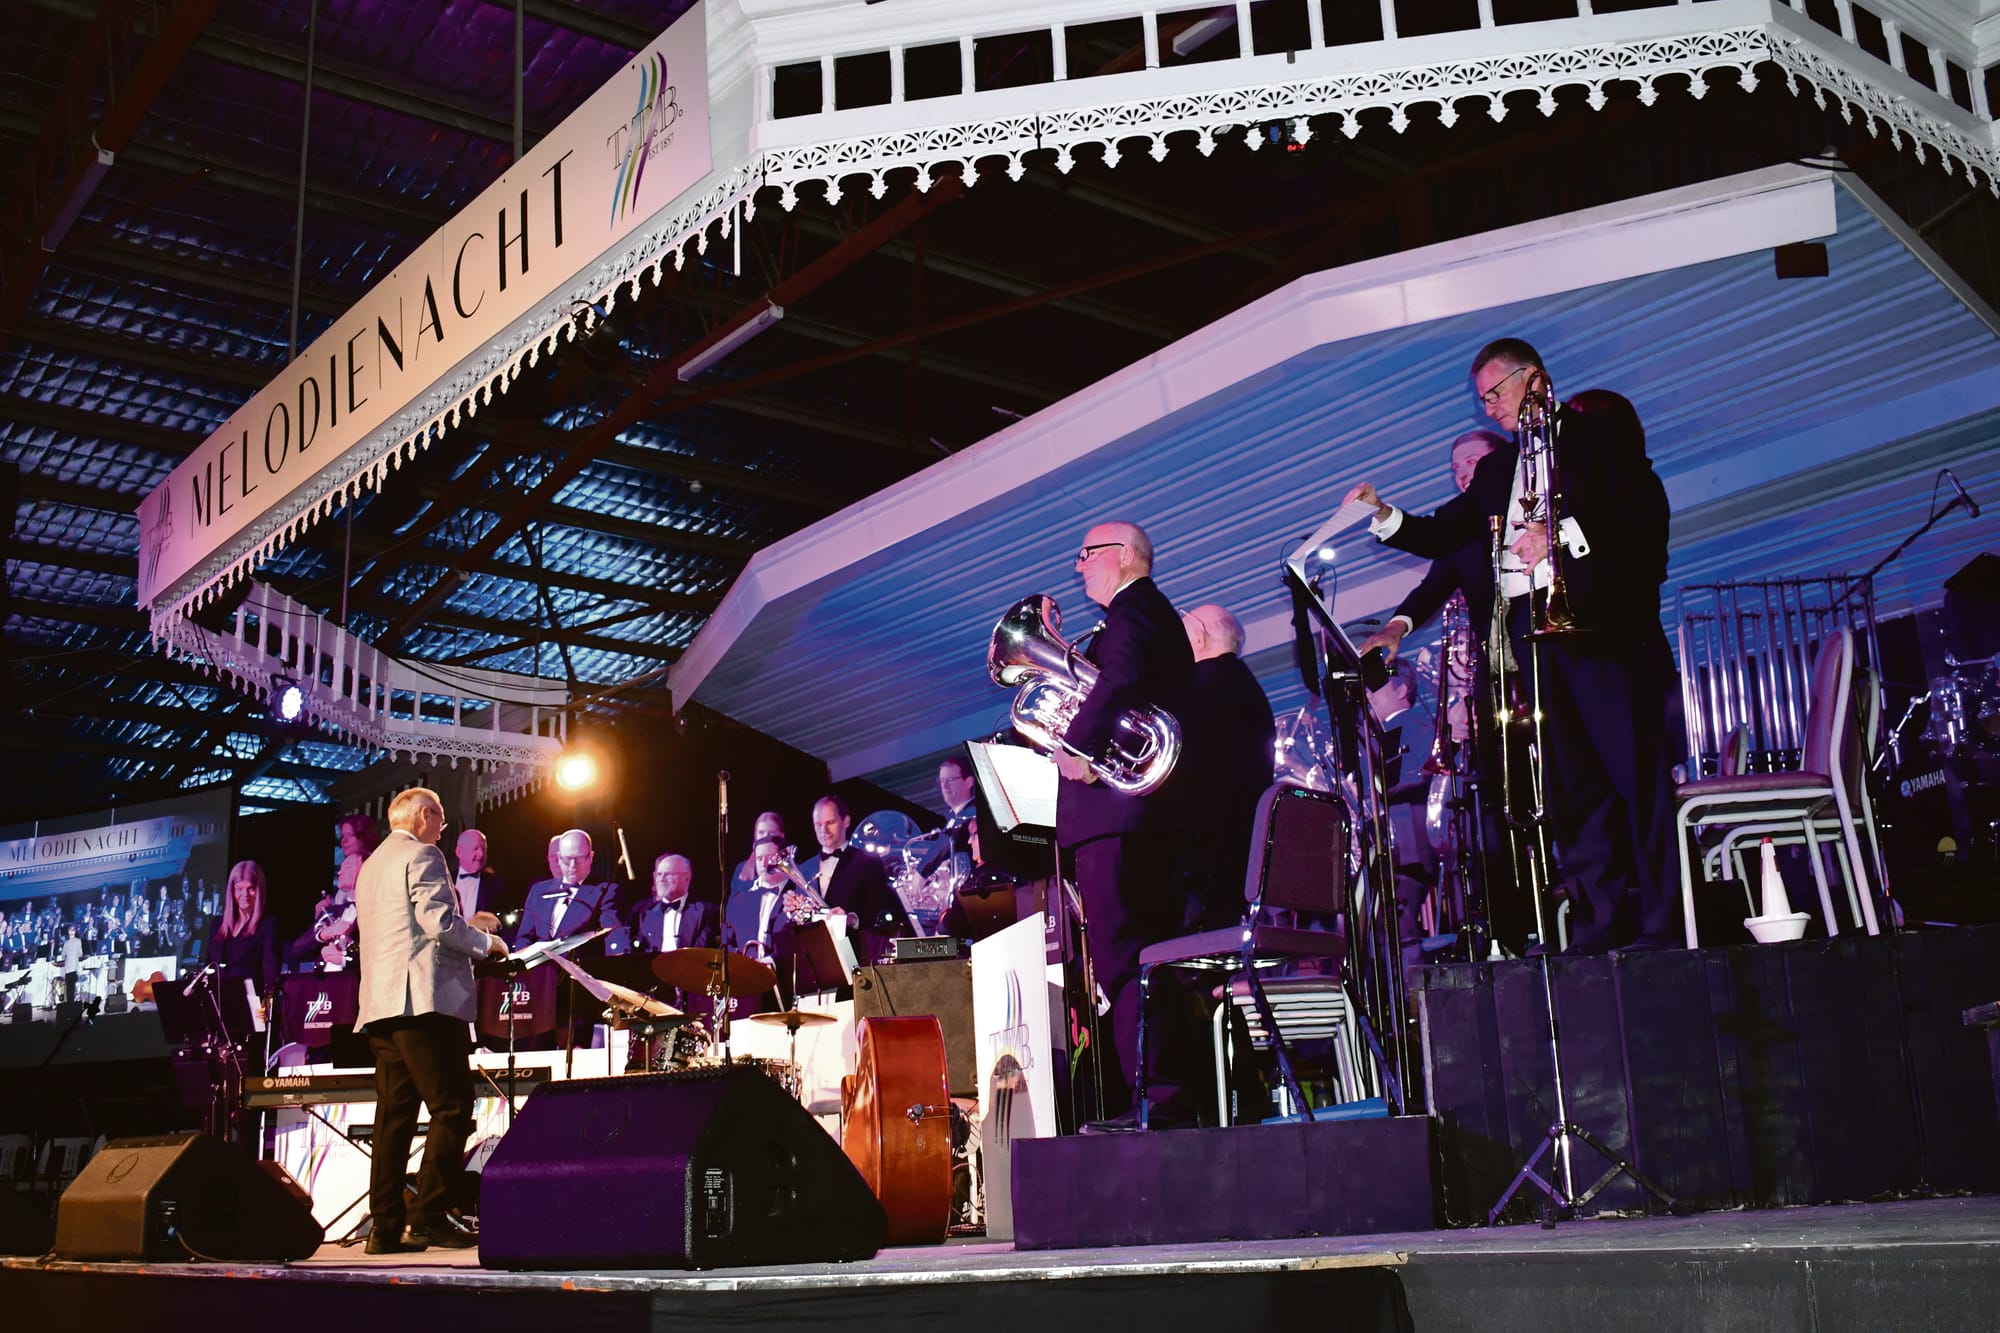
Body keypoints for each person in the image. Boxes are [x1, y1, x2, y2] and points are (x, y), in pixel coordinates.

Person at [1345, 337, 1678, 952]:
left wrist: (1562, 533)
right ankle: (1596, 928)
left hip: (1606, 637)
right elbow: (1444, 534)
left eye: (1495, 393)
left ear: (1534, 377)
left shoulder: (1594, 434)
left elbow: (1640, 511)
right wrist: (1385, 513)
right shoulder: (1501, 469)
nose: (1490, 408)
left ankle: (1663, 926)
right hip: (1540, 644)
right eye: (1483, 400)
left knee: (1638, 779)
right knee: (1573, 789)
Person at [1052, 520, 1199, 1129]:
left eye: (1087, 554)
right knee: (1138, 961)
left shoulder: (1133, 611)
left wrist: (1081, 749)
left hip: (1119, 822)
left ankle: (1154, 1102)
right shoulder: (1146, 615)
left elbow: (1118, 680)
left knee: (1124, 963)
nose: (1080, 564)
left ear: (1124, 556)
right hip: (1137, 821)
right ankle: (1157, 1099)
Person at [354, 786, 507, 1255]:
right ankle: (429, 1217)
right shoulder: (423, 854)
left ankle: (384, 1227)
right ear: (423, 815)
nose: (443, 829)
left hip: (380, 1008)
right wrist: (487, 943)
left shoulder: (370, 866)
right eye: (440, 819)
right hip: (421, 1003)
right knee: (452, 1108)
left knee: (394, 1117)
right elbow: (439, 923)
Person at [1178, 604, 1277, 930]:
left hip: (1207, 870)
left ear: (1197, 635)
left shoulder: (1204, 687)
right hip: (1235, 861)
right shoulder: (1240, 684)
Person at [798, 795, 909, 937]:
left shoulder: (867, 862)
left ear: (846, 821)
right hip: (815, 951)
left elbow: (884, 913)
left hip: (854, 951)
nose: (823, 830)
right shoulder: (803, 869)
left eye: (830, 822)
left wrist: (852, 919)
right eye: (818, 824)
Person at [513, 829, 621, 946]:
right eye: (567, 859)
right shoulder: (538, 891)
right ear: (559, 857)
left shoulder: (606, 891)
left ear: (591, 857)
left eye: (579, 858)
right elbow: (523, 939)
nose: (572, 866)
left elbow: (612, 935)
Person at [210, 860, 281, 996]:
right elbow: (210, 966)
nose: (245, 895)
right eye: (239, 889)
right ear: (232, 890)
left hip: (250, 1004)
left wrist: (266, 1005)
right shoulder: (217, 925)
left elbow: (270, 974)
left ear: (259, 890)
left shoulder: (268, 925)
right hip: (218, 1003)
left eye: (251, 889)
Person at [629, 853, 715, 954]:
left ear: (686, 878)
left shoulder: (705, 912)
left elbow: (702, 953)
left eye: (668, 874)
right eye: (659, 874)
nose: (661, 879)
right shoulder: (645, 914)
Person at [451, 828, 514, 929]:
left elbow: (507, 921)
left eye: (484, 848)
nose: (481, 854)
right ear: (459, 852)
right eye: (476, 848)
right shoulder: (444, 881)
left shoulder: (497, 885)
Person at [728, 811, 787, 903]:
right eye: (761, 832)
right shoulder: (741, 869)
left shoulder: (791, 869)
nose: (765, 837)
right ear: (755, 835)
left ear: (782, 835)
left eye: (771, 833)